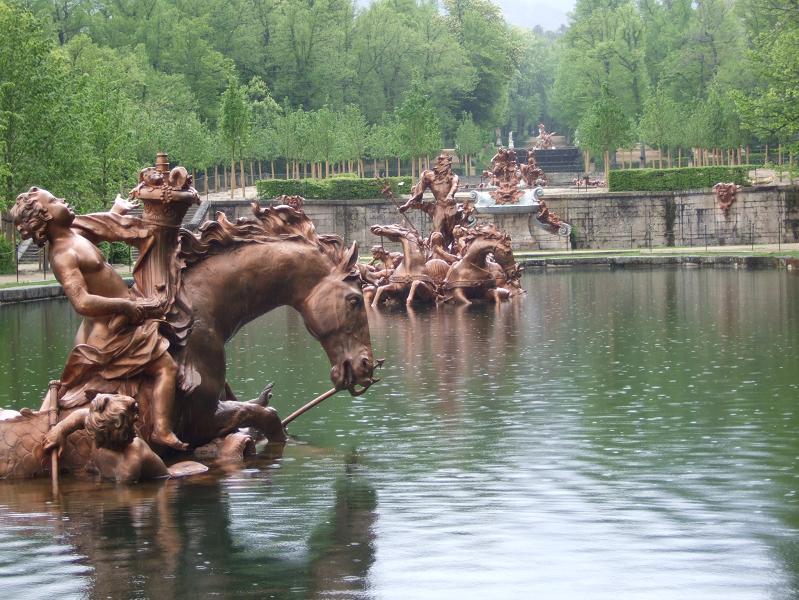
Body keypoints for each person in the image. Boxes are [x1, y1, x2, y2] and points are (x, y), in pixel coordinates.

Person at [11, 188, 187, 451]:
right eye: (56, 201)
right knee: (166, 368)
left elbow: (100, 225)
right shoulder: (62, 255)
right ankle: (162, 429)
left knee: (67, 385)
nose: (64, 200)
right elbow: (81, 301)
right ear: (46, 216)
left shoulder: (75, 233)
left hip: (113, 319)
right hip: (112, 328)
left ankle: (46, 415)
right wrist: (125, 306)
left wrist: (116, 211)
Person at [44, 393, 205, 483]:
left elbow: (122, 501)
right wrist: (59, 431)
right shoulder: (98, 426)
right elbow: (80, 416)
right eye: (131, 423)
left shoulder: (131, 462)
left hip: (168, 480)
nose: (135, 426)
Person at [399, 154, 460, 250]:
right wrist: (407, 205)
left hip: (451, 207)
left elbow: (454, 186)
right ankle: (436, 250)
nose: (440, 162)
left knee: (450, 231)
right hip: (439, 206)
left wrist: (450, 195)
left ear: (449, 164)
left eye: (442, 160)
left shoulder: (453, 177)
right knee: (437, 231)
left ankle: (453, 249)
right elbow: (418, 193)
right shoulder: (429, 177)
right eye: (439, 160)